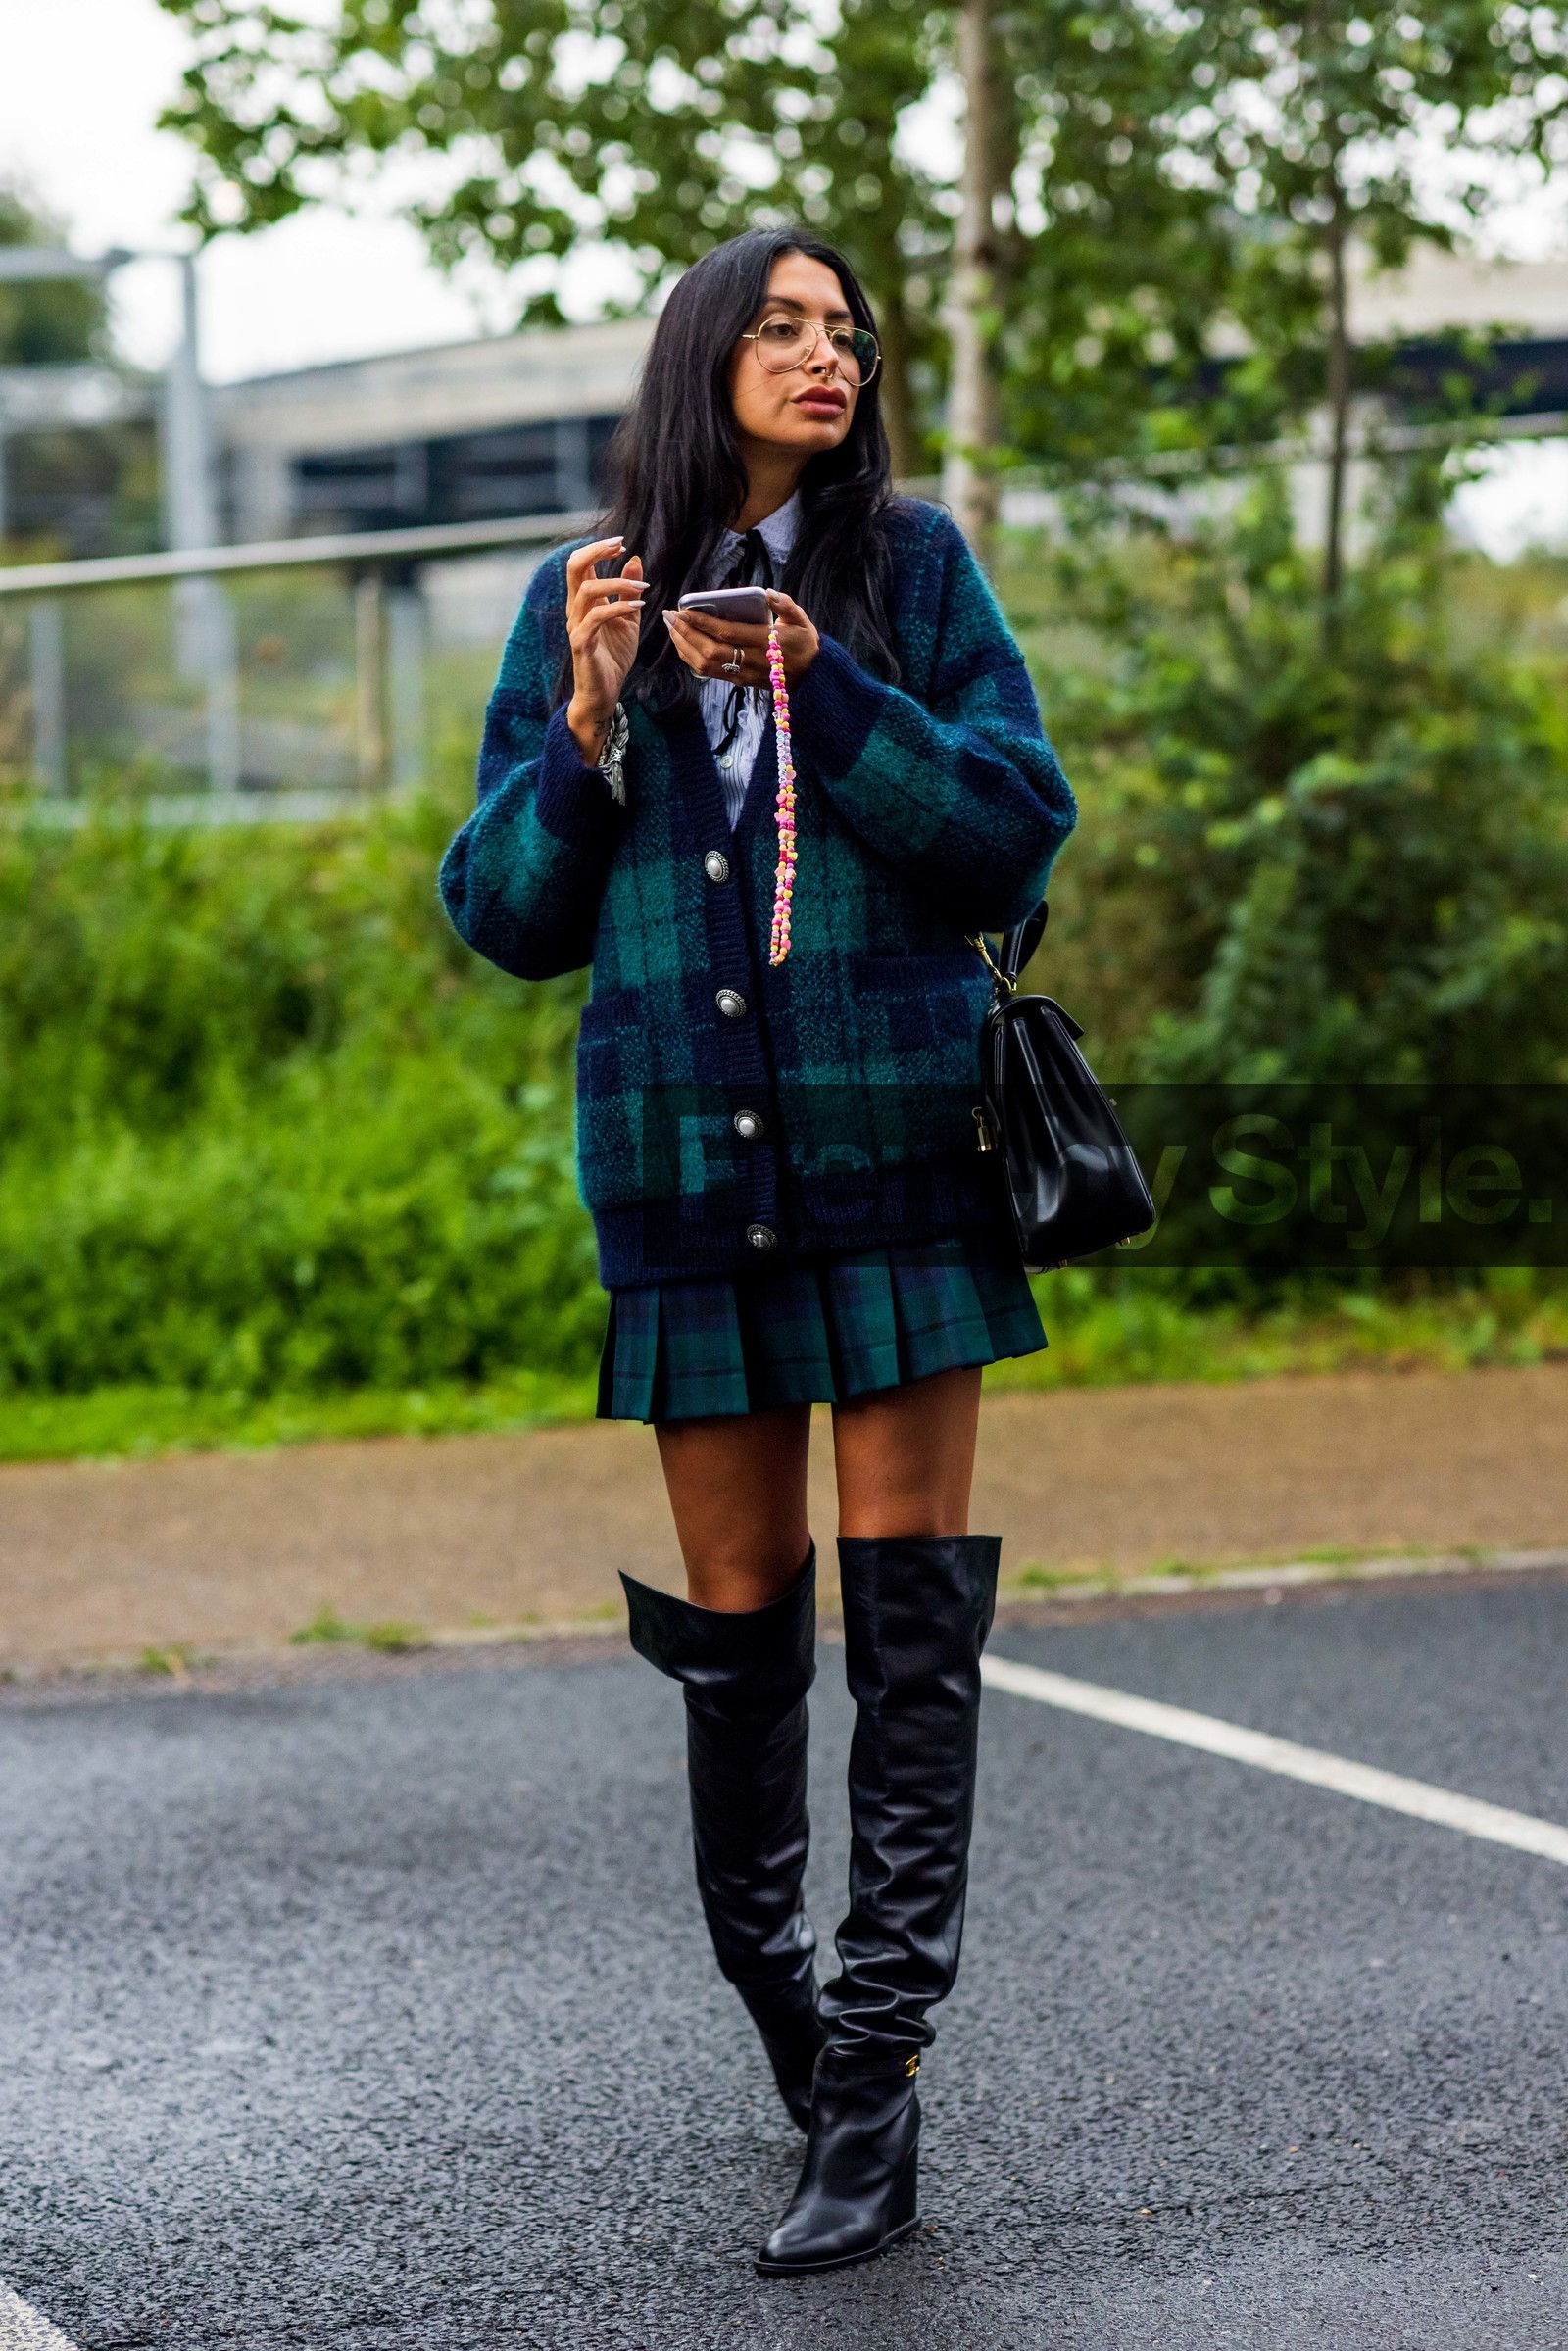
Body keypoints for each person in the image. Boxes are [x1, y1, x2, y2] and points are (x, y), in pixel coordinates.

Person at [439, 226, 1075, 2277]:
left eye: (842, 328)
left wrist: (833, 683)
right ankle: (795, 2033)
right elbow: (509, 917)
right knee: (735, 1640)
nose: (827, 352)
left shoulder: (910, 570)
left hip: (896, 1153)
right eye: (783, 324)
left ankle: (873, 2093)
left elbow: (1008, 828)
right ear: (702, 354)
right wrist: (590, 725)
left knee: (906, 1631)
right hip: (682, 1178)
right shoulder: (582, 594)